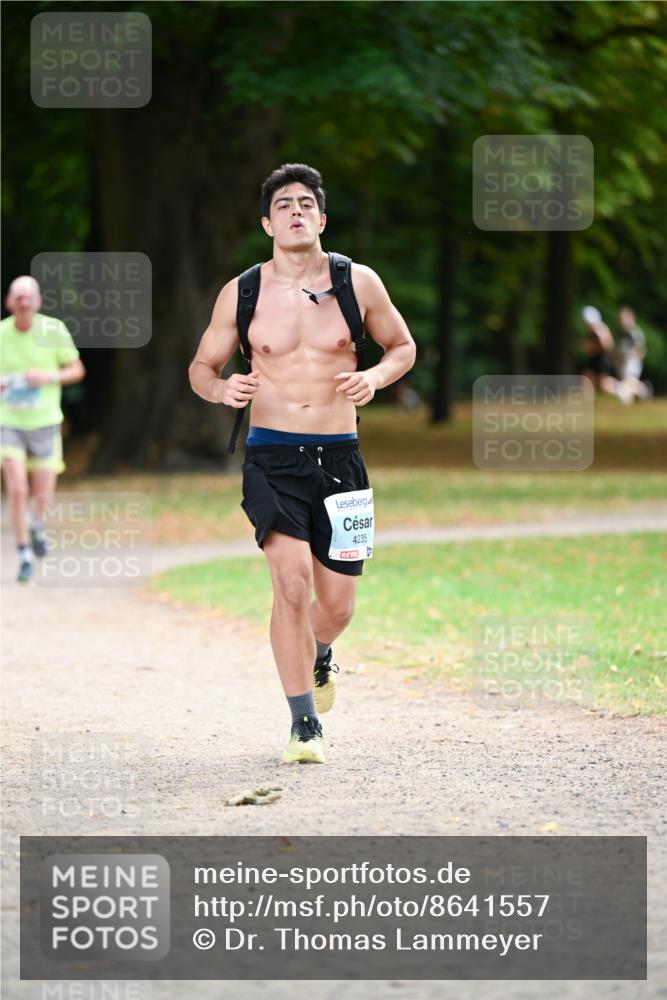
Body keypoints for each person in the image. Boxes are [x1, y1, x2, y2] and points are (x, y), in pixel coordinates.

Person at [189, 163, 416, 764]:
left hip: (341, 458)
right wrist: (221, 391)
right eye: (283, 204)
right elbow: (200, 368)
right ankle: (303, 725)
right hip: (272, 458)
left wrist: (374, 375)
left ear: (321, 217)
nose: (295, 211)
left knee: (337, 605)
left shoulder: (357, 282)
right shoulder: (242, 292)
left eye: (305, 204)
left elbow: (403, 346)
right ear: (267, 222)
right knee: (289, 586)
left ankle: (318, 653)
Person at [0, 276, 85, 583]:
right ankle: (23, 553)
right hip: (8, 422)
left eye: (29, 296)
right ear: (9, 302)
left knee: (43, 495)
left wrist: (48, 376)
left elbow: (77, 370)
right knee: (17, 488)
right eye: (18, 297)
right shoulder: (1, 335)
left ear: (38, 301)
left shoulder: (53, 330)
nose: (23, 302)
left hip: (46, 422)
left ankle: (36, 524)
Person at [580, 305, 632, 403]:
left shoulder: (598, 329)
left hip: (601, 358)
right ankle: (585, 400)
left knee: (603, 383)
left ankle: (621, 390)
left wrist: (593, 347)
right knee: (588, 377)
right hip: (597, 358)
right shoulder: (595, 329)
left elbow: (607, 345)